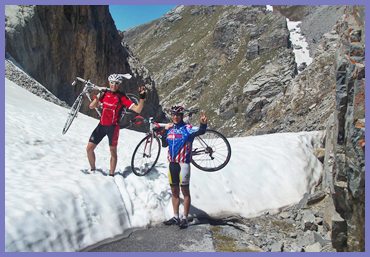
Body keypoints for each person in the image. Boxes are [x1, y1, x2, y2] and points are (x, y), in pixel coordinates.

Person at [86, 74, 146, 177]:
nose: (114, 85)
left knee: (113, 152)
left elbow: (138, 109)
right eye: (112, 82)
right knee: (89, 149)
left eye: (117, 83)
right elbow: (91, 106)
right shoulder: (104, 94)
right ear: (109, 83)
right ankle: (92, 170)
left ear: (119, 85)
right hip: (101, 125)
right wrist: (98, 97)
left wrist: (142, 98)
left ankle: (111, 175)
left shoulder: (122, 97)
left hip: (113, 128)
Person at [162, 105, 208, 229]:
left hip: (184, 164)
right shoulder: (170, 129)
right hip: (172, 164)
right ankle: (176, 217)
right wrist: (164, 132)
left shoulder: (188, 128)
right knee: (174, 192)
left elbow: (201, 131)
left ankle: (185, 218)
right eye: (174, 115)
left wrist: (203, 124)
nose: (175, 117)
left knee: (185, 192)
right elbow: (164, 144)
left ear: (182, 116)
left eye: (178, 115)